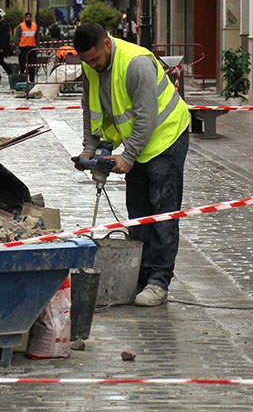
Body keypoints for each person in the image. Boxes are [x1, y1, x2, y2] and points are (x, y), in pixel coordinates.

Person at [72, 23, 190, 307]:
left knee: (161, 210)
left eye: (95, 59)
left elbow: (145, 114)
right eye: (86, 61)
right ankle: (141, 274)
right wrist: (92, 149)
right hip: (138, 143)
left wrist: (128, 156)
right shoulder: (91, 66)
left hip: (166, 138)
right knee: (138, 210)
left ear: (107, 44)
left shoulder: (136, 63)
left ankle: (159, 281)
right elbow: (91, 109)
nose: (91, 65)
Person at [17, 11, 38, 81]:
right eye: (27, 17)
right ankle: (22, 80)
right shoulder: (20, 26)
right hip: (22, 49)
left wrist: (37, 48)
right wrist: (17, 48)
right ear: (25, 18)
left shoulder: (35, 26)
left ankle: (32, 80)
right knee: (22, 65)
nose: (28, 19)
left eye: (30, 17)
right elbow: (17, 38)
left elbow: (37, 38)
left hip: (32, 49)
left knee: (32, 65)